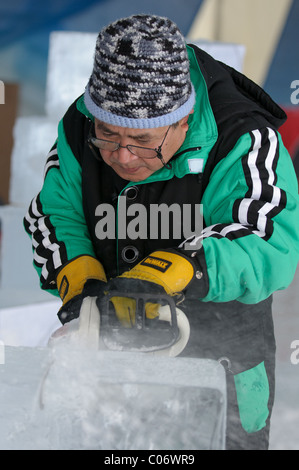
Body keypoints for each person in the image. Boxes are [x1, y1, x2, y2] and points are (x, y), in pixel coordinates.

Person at [24, 14, 299, 450]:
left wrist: (170, 273)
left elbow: (267, 237)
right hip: (113, 366)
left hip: (224, 363)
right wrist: (81, 285)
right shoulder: (80, 127)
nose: (124, 157)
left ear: (184, 120)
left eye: (143, 141)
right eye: (108, 135)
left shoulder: (242, 138)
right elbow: (56, 215)